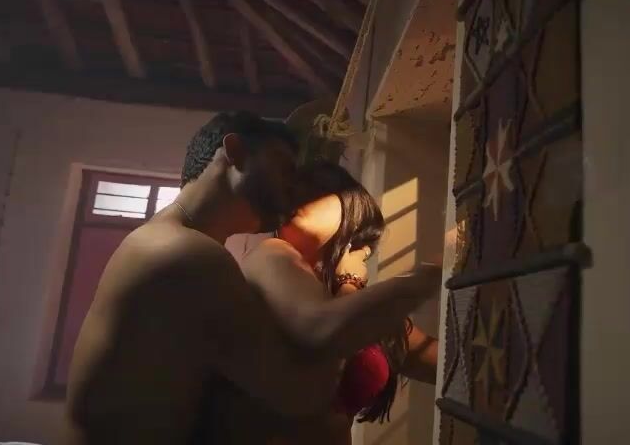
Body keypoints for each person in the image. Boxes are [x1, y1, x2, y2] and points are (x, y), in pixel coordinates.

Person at [65, 112, 442, 445]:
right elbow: (301, 391)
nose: (290, 190)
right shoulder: (187, 256)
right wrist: (421, 278)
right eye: (284, 170)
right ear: (235, 153)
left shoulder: (177, 245)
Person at [193, 161, 440, 445]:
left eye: (319, 186)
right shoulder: (271, 254)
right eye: (290, 190)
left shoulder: (364, 313)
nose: (297, 195)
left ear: (352, 209)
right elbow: (324, 336)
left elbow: (448, 364)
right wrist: (354, 282)